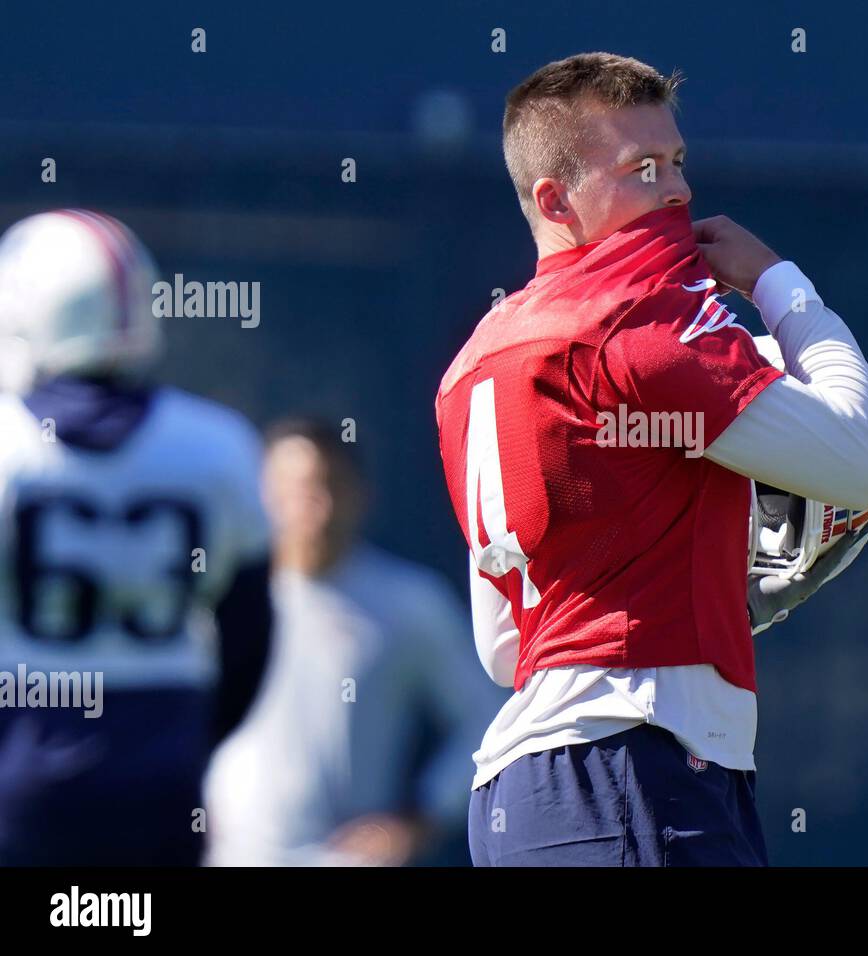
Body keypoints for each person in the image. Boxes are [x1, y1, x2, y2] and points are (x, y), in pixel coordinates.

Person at [436, 52, 868, 866]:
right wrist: (780, 283)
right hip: (637, 771)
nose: (678, 192)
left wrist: (693, 578)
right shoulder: (640, 322)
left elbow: (509, 644)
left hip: (532, 792)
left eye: (678, 161)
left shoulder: (473, 361)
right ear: (556, 200)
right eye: (642, 169)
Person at [0, 209, 272, 865]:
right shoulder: (217, 444)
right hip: (162, 762)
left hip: (25, 761)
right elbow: (250, 634)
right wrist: (192, 737)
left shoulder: (10, 445)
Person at [203, 420, 501, 866]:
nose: (314, 506)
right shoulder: (213, 599)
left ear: (360, 495)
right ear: (259, 493)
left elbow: (486, 717)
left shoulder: (411, 603)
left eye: (331, 486)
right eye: (295, 488)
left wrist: (421, 818)